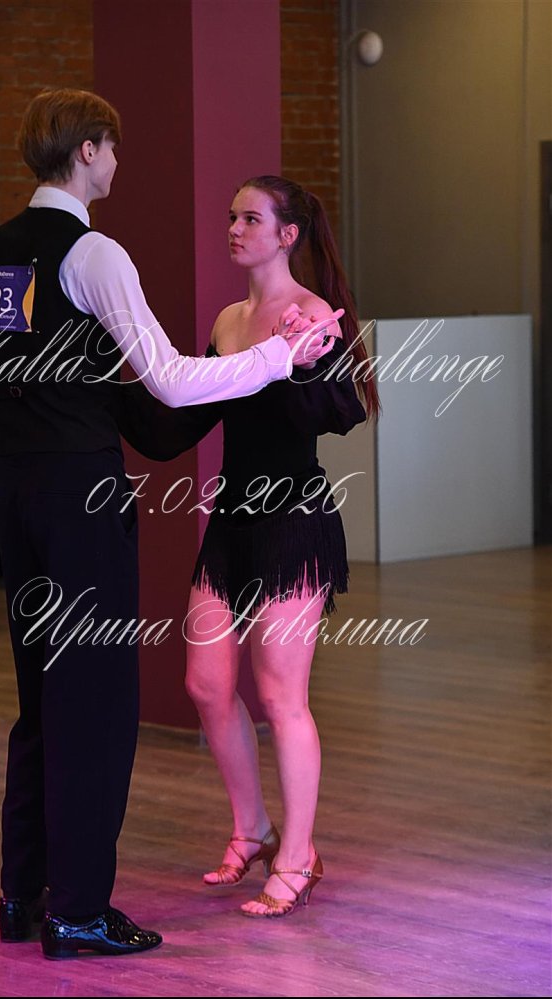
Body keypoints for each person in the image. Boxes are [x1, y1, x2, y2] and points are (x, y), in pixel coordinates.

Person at [0, 91, 331, 959]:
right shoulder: (93, 252)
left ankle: (23, 896)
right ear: (89, 152)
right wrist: (278, 356)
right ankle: (78, 911)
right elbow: (169, 380)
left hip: (13, 489)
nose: (117, 164)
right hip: (77, 497)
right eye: (113, 149)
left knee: (39, 702)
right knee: (94, 703)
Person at [178, 176, 379, 918]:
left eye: (250, 219)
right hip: (231, 520)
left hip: (294, 519)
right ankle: (253, 829)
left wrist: (298, 360)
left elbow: (342, 412)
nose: (234, 228)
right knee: (206, 684)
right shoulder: (230, 319)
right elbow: (196, 409)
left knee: (279, 695)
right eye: (231, 217)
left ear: (287, 235)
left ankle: (298, 856)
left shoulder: (313, 314)